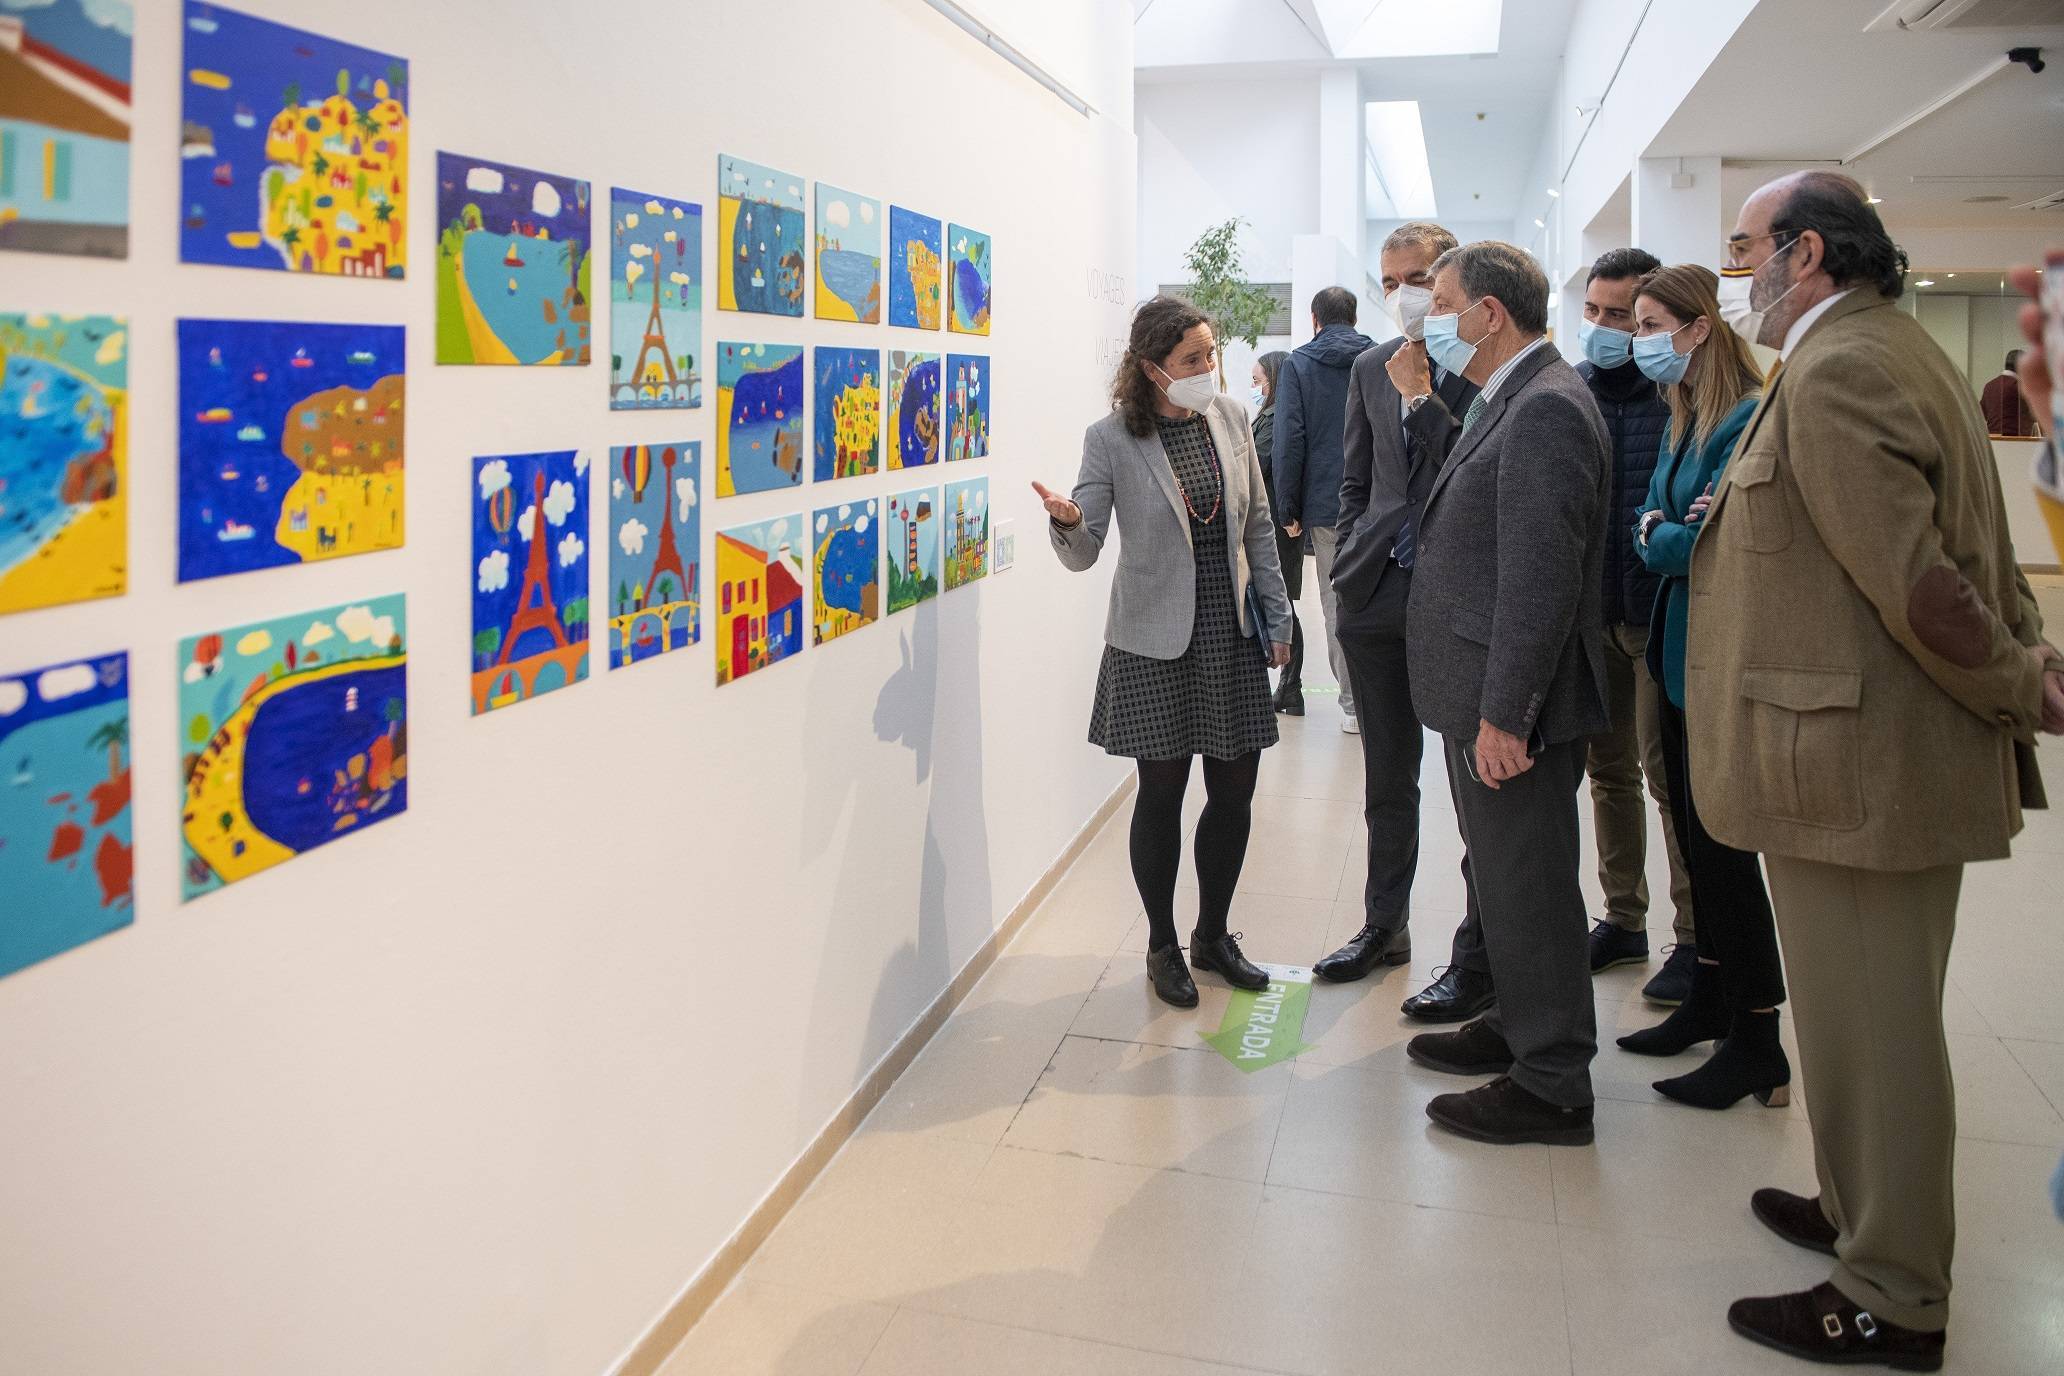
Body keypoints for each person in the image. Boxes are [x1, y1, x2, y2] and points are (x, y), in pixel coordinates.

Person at [1702, 171, 2064, 1369]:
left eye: (1748, 247)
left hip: (1861, 770)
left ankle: (1894, 1290)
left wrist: (2022, 680)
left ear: (1807, 254)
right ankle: (1856, 1209)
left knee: (1883, 1031)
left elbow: (1919, 583)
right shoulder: (1874, 351)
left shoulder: (1848, 367)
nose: (1737, 270)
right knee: (1853, 1023)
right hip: (1852, 765)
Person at [1396, 241, 1612, 1146]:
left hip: (1512, 704)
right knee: (1505, 879)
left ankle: (1554, 1080)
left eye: (1442, 302)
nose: (1429, 319)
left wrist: (1503, 715)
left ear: (1490, 314)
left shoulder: (1546, 409)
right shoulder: (1514, 394)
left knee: (1528, 885)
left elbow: (1537, 580)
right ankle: (1522, 1027)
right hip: (1485, 690)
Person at [1036, 296, 1296, 1010]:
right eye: (1192, 359)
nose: (1208, 368)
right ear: (1152, 368)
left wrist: (1279, 617)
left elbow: (1260, 528)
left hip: (1231, 631)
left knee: (1235, 792)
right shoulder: (1112, 438)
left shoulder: (1233, 418)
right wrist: (1066, 523)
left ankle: (1214, 935)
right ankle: (1162, 943)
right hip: (1154, 642)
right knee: (1162, 794)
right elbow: (1085, 549)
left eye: (1210, 353)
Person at [1617, 263, 1787, 1110]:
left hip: (1718, 657)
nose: (1640, 339)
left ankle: (1758, 1034)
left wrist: (1663, 532)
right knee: (1691, 832)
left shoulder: (1747, 419)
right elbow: (1653, 519)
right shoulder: (1685, 418)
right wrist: (1663, 530)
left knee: (1723, 856)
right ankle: (1711, 998)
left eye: (1651, 323)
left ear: (1697, 328)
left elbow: (1701, 543)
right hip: (1677, 655)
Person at [1312, 220, 1477, 991]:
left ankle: (1480, 941)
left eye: (1415, 278)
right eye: (1388, 281)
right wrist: (1348, 561)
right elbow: (1357, 480)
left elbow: (1474, 480)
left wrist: (1423, 405)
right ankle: (1386, 924)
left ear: (1449, 279)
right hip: (1377, 587)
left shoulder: (1487, 368)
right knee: (1388, 775)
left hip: (1458, 598)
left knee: (1478, 777)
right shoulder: (1371, 367)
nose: (1401, 296)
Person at [1576, 247, 1700, 1003]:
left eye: (1620, 315)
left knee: (1669, 779)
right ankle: (1623, 920)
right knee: (1608, 773)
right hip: (1596, 618)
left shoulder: (1681, 398)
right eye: (1593, 312)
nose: (1604, 327)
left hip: (1659, 618)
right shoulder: (1576, 390)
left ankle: (1693, 939)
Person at [1272, 287, 1375, 734]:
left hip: (1326, 504)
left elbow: (1289, 438)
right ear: (1353, 317)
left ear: (1315, 319)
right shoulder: (1379, 358)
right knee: (1382, 597)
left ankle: (1353, 705)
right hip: (1379, 498)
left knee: (1336, 601)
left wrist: (1287, 506)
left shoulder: (1299, 364)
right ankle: (1383, 699)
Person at [1251, 351, 1304, 714]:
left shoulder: (1274, 420)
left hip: (1275, 525)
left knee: (1280, 602)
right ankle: (1289, 686)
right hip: (1273, 522)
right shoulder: (1271, 416)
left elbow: (1257, 463)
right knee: (1280, 601)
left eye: (1258, 382)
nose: (1255, 389)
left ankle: (1291, 685)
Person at [1981, 349, 2039, 437]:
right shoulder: (2021, 386)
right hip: (2019, 443)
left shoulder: (1989, 386)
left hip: (1993, 442)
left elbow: (1982, 413)